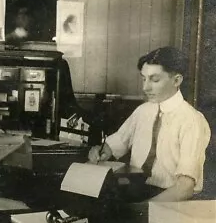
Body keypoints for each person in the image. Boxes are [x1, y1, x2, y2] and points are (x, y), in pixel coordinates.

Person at [88, 46, 211, 203]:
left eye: (155, 80)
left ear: (177, 80)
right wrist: (101, 150)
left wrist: (143, 208)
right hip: (134, 190)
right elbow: (117, 143)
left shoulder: (192, 120)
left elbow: (185, 188)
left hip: (169, 199)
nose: (145, 87)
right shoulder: (143, 111)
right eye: (144, 79)